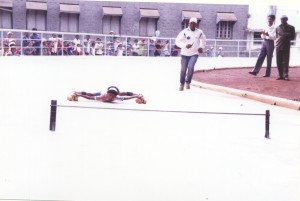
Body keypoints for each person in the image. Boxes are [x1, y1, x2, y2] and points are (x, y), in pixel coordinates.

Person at [175, 17, 206, 91]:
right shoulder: (184, 32)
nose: (192, 25)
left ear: (196, 24)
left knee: (191, 67)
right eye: (191, 23)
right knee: (183, 70)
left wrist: (201, 47)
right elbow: (177, 41)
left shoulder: (199, 32)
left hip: (194, 53)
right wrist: (185, 45)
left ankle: (188, 82)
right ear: (189, 23)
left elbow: (203, 40)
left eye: (194, 24)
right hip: (184, 54)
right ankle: (182, 84)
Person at [67, 86, 146, 103]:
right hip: (102, 92)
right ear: (108, 93)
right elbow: (89, 98)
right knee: (91, 94)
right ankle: (77, 92)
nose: (111, 97)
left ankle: (137, 93)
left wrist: (136, 96)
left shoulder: (116, 97)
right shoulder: (102, 97)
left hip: (114, 90)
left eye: (113, 96)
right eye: (110, 95)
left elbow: (126, 98)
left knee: (122, 93)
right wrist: (79, 95)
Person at [275, 15, 295, 81]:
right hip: (278, 46)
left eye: (284, 19)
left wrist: (287, 35)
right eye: (281, 19)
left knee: (285, 61)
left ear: (287, 20)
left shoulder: (291, 27)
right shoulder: (278, 27)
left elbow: (293, 37)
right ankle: (280, 75)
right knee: (278, 61)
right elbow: (276, 37)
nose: (282, 21)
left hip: (286, 46)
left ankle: (285, 75)